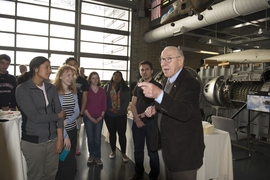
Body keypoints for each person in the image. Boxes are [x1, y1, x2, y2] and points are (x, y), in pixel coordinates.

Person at [138, 46, 205, 180]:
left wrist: (159, 94)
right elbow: (169, 103)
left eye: (169, 59)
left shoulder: (191, 82)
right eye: (162, 59)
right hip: (170, 150)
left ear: (180, 61)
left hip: (184, 154)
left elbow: (185, 111)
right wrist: (154, 108)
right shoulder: (167, 81)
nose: (163, 63)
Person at [15, 56, 66, 180]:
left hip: (53, 140)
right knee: (35, 176)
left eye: (50, 67)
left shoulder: (51, 88)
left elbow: (60, 113)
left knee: (51, 174)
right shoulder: (23, 89)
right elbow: (34, 117)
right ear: (36, 69)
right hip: (34, 142)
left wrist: (60, 139)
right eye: (46, 67)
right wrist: (57, 116)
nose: (50, 70)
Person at [129, 61, 161, 180]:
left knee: (152, 151)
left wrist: (140, 117)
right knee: (138, 150)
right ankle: (139, 173)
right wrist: (137, 118)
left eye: (147, 69)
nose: (144, 72)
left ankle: (154, 176)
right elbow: (133, 103)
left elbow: (157, 106)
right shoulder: (138, 86)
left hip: (151, 123)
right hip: (137, 121)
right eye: (142, 70)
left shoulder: (157, 86)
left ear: (152, 71)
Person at [53, 64, 80, 180]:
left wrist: (67, 121)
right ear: (60, 76)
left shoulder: (73, 92)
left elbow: (77, 112)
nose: (71, 78)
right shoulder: (55, 93)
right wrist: (65, 135)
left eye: (72, 75)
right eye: (68, 75)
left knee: (65, 159)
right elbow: (57, 116)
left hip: (73, 129)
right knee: (69, 164)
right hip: (62, 132)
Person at [104, 71, 130, 162]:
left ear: (121, 78)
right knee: (112, 133)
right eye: (116, 75)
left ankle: (123, 153)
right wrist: (110, 109)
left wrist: (118, 111)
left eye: (119, 76)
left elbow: (126, 101)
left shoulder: (125, 88)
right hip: (109, 115)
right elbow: (103, 101)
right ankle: (113, 151)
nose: (117, 77)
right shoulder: (106, 87)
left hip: (121, 115)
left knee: (122, 134)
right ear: (113, 76)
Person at [65, 57, 89, 155]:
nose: (72, 66)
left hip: (77, 113)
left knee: (75, 133)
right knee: (63, 133)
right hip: (63, 113)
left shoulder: (82, 81)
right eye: (70, 64)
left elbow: (84, 98)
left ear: (77, 66)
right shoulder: (63, 78)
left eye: (74, 64)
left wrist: (81, 112)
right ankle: (64, 155)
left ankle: (73, 151)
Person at [84, 72, 106, 166]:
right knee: (90, 138)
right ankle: (91, 155)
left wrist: (101, 116)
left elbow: (105, 104)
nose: (95, 80)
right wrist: (91, 118)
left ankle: (97, 157)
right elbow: (84, 106)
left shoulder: (102, 90)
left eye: (97, 78)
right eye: (93, 78)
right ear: (90, 79)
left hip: (99, 117)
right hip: (88, 117)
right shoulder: (87, 90)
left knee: (97, 138)